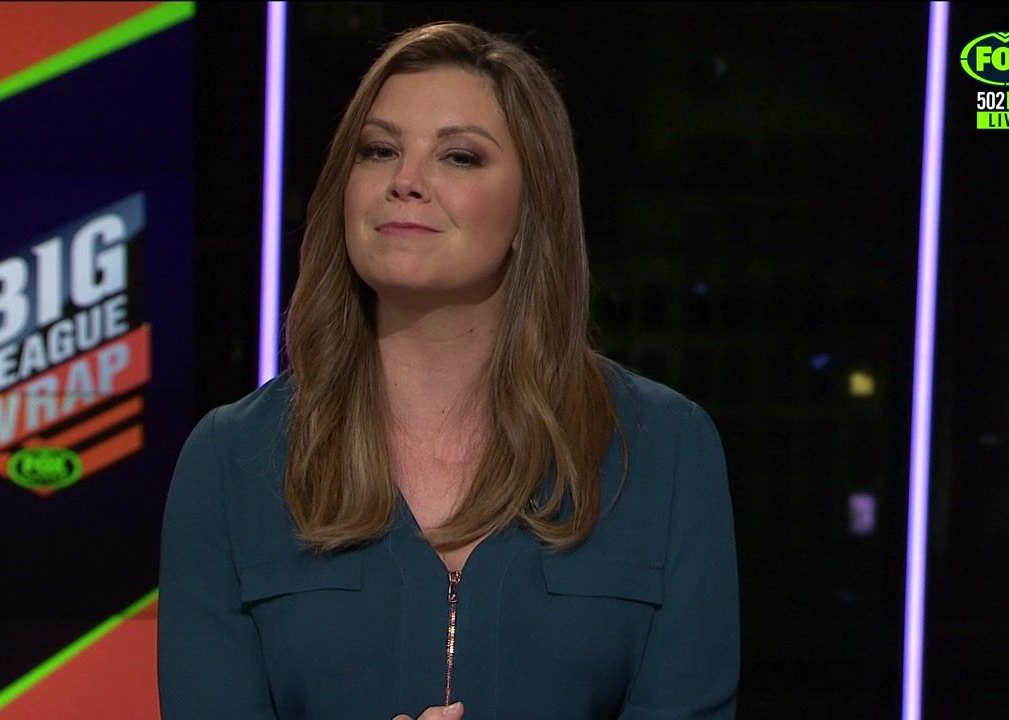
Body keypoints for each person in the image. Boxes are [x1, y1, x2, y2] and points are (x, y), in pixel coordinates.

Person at [158, 21, 738, 720]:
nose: (405, 182)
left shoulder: (663, 449)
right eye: (379, 151)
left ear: (532, 207)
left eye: (459, 157)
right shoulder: (232, 460)